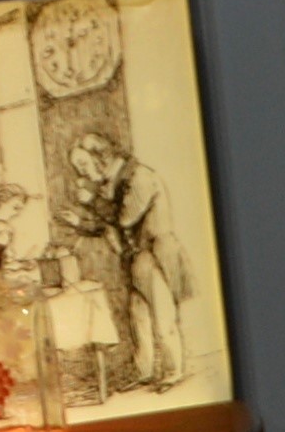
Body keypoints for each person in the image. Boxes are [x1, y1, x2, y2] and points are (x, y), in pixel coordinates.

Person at [63, 133, 191, 393]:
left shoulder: (139, 177)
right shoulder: (115, 182)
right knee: (138, 316)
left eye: (83, 165)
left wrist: (93, 201)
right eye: (78, 168)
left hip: (155, 254)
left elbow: (124, 219)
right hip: (136, 258)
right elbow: (108, 226)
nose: (82, 173)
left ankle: (173, 372)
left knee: (163, 315)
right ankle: (145, 372)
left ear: (101, 157)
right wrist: (80, 222)